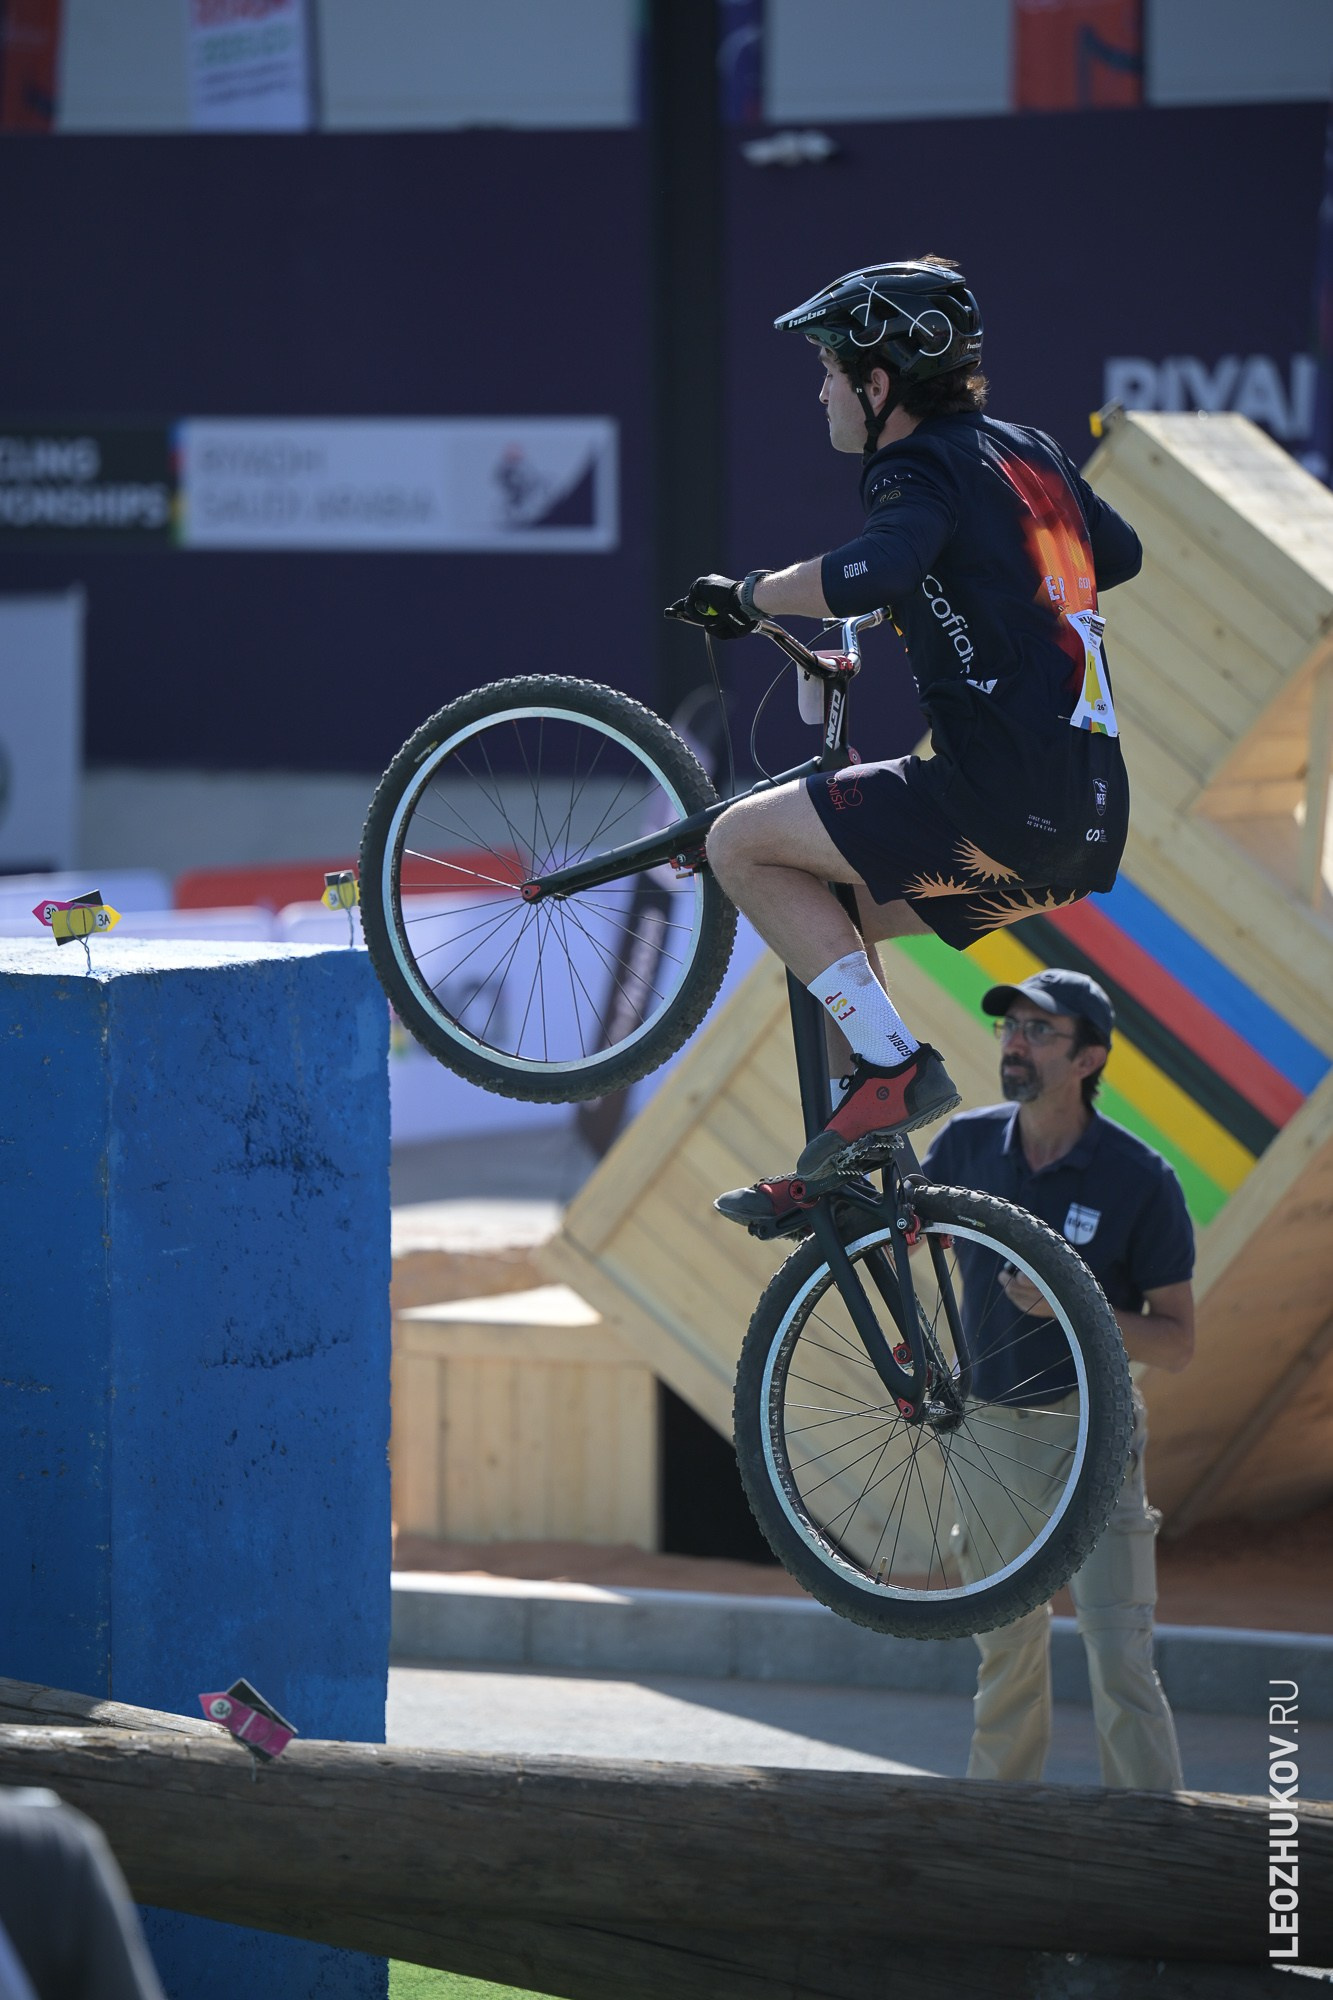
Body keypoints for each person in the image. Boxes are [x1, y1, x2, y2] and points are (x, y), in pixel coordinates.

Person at [669, 257, 1142, 1224]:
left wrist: (748, 594)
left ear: (878, 385)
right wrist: (966, 589)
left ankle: (891, 1069)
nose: (820, 390)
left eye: (829, 371)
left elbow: (867, 571)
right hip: (1082, 831)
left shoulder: (911, 463)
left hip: (992, 802)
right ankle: (863, 1140)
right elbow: (1117, 555)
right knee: (822, 915)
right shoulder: (1028, 450)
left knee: (735, 844)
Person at [922, 967, 1194, 1790]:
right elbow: (910, 1248)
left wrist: (1072, 1306)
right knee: (1005, 1657)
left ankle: (1156, 1862)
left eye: (1041, 1032)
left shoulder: (1141, 1178)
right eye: (1012, 1028)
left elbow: (1178, 1342)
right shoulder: (964, 1146)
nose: (1015, 1043)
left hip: (1094, 1430)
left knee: (1120, 1657)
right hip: (989, 1432)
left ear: (1088, 1060)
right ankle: (998, 1854)